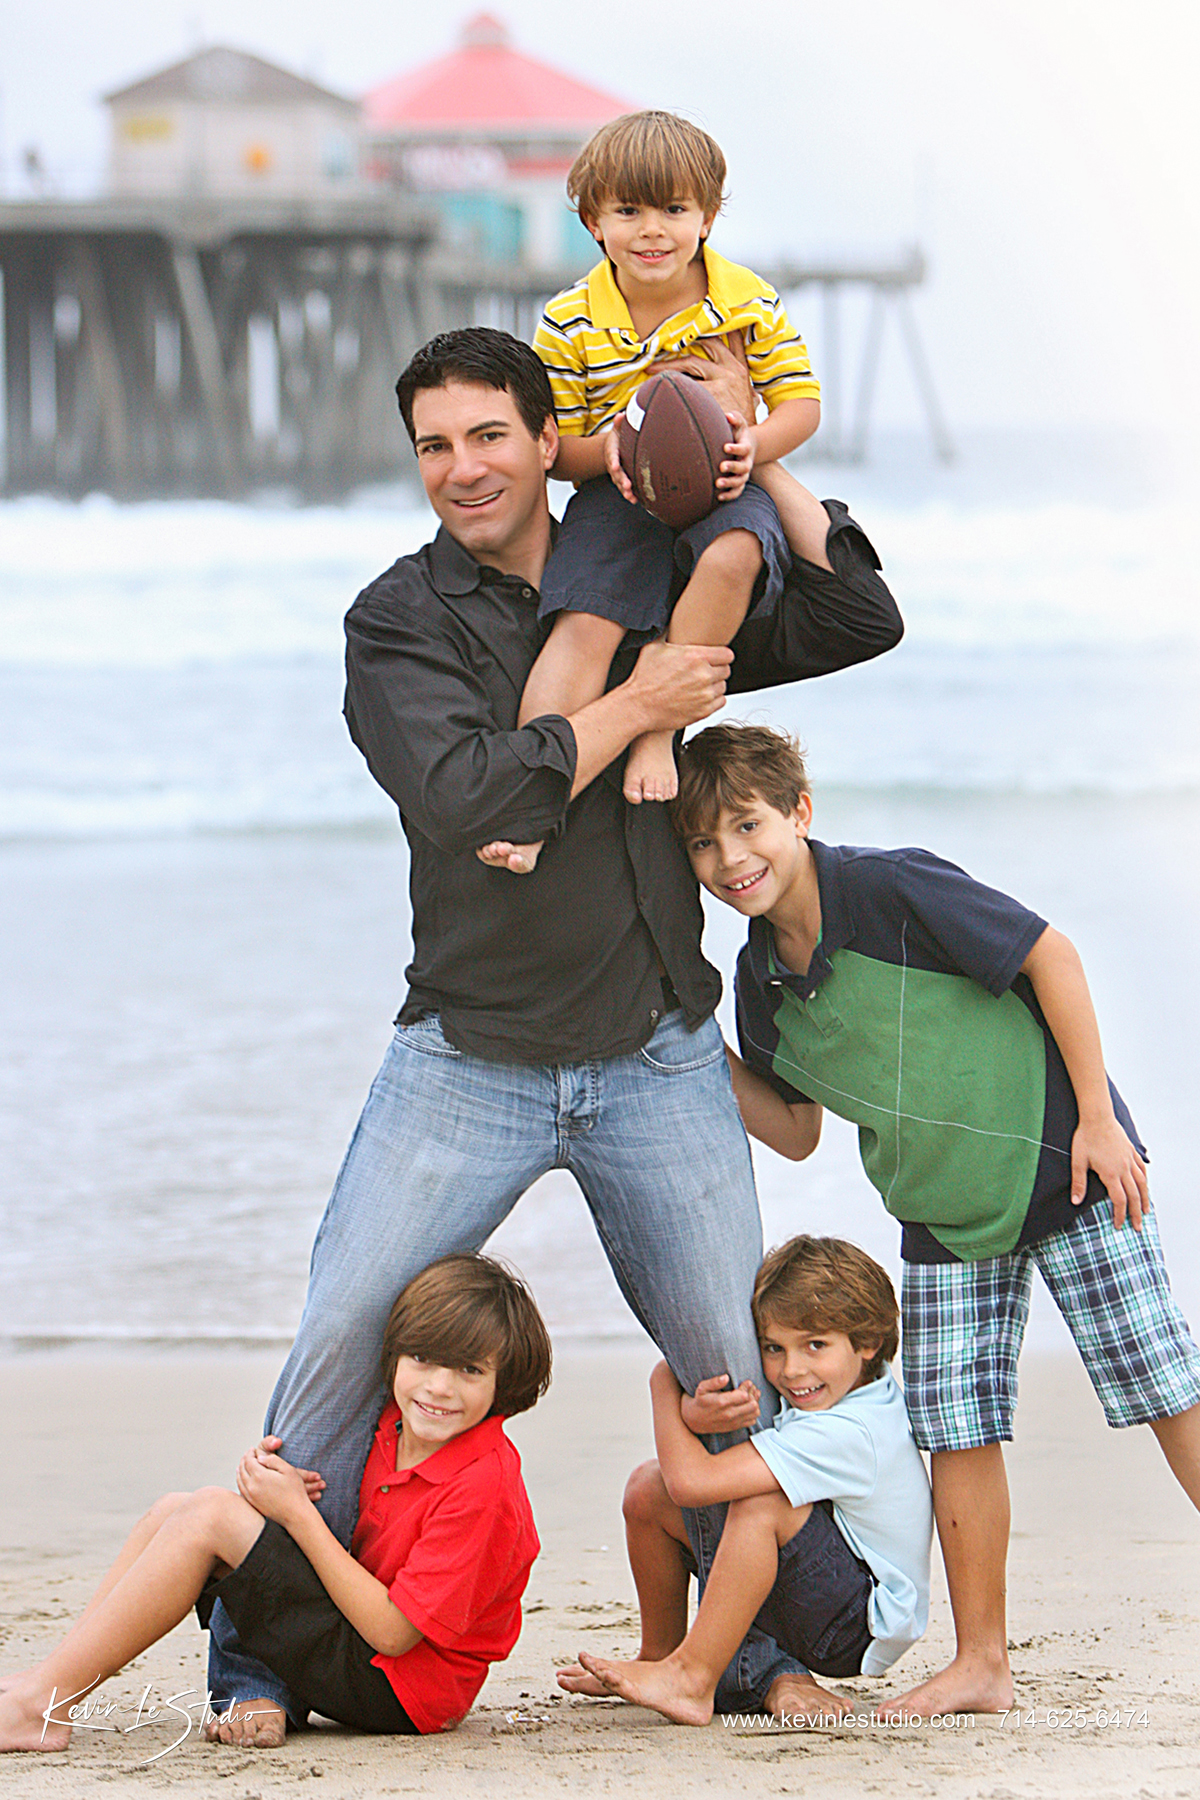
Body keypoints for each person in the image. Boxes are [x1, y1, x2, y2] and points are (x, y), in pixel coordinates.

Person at [204, 327, 903, 1742]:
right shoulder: (396, 621)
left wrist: (754, 466)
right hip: (470, 1056)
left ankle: (764, 1650)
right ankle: (259, 1666)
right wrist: (639, 706)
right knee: (341, 1343)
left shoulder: (654, 562)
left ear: (551, 440)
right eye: (433, 446)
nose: (461, 469)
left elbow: (856, 622)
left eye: (489, 437)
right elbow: (472, 798)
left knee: (728, 1365)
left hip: (655, 1052)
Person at [672, 720, 1200, 1718]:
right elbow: (793, 1130)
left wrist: (1097, 1115)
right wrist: (693, 1037)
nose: (731, 857)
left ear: (799, 814)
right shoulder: (759, 984)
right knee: (957, 1428)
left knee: (1164, 1385)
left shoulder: (890, 888)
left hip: (1067, 1160)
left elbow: (1052, 955)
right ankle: (983, 1664)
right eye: (703, 841)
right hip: (940, 1210)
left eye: (748, 825)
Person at [0, 1255, 551, 1754]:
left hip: (400, 1689)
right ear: (394, 1355)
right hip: (358, 1640)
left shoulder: (484, 1484)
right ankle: (55, 1682)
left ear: (505, 1381)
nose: (439, 1387)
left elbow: (394, 1632)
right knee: (177, 1509)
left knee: (211, 1516)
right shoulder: (390, 1423)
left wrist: (294, 1513)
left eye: (469, 1370)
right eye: (423, 1359)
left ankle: (41, 1706)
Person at [481, 111, 821, 875]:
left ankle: (655, 727)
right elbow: (552, 452)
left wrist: (749, 448)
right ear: (592, 220)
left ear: (708, 215)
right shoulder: (569, 320)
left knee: (735, 554)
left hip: (721, 482)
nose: (652, 230)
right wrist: (603, 450)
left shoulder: (745, 302)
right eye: (628, 210)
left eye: (673, 209)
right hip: (617, 488)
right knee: (585, 624)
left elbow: (802, 405)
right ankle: (532, 801)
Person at [558, 1235, 931, 1725]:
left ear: (867, 1343)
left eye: (815, 1345)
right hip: (836, 1584)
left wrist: (662, 1383)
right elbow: (674, 1485)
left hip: (856, 1624)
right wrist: (694, 1414)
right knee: (648, 1491)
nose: (792, 1370)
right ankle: (659, 1656)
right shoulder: (858, 1392)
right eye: (773, 1348)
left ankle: (692, 1678)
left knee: (765, 1505)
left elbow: (693, 1483)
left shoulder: (849, 1431)